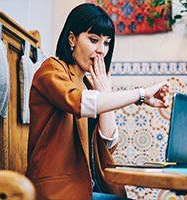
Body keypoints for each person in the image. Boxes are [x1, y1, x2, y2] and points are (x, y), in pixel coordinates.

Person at [25, 3, 170, 200]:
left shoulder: (89, 86)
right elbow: (80, 102)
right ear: (72, 38)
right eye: (94, 40)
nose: (102, 50)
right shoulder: (52, 70)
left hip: (89, 188)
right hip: (57, 191)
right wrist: (141, 95)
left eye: (107, 43)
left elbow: (107, 144)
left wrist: (105, 90)